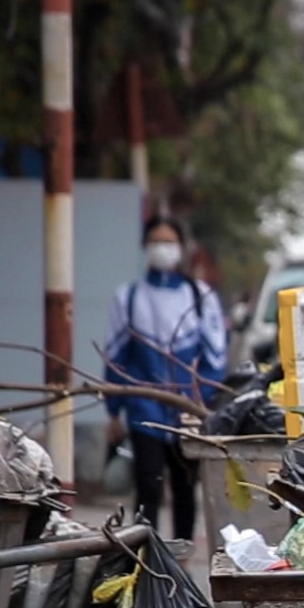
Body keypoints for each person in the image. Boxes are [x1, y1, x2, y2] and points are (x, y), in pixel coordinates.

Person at [104, 217, 227, 541]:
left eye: (169, 241)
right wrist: (113, 411)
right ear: (146, 247)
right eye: (156, 241)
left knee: (186, 484)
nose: (162, 248)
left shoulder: (199, 297)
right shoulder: (128, 298)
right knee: (148, 483)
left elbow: (216, 354)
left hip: (188, 405)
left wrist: (203, 397)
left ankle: (182, 556)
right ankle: (146, 552)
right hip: (144, 406)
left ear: (181, 247)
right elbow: (115, 357)